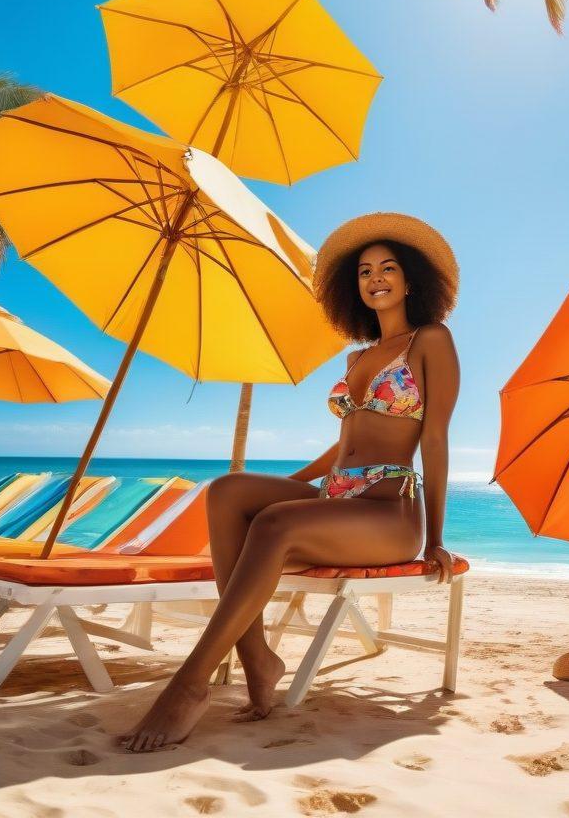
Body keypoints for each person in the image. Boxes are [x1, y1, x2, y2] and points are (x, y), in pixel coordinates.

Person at [120, 212, 461, 752]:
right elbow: (347, 441)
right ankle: (257, 656)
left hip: (388, 511)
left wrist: (436, 539)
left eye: (388, 268)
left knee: (276, 522)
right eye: (364, 271)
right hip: (338, 497)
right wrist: (288, 481)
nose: (375, 278)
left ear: (411, 280)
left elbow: (435, 439)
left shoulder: (431, 340)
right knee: (229, 491)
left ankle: (189, 684)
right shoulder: (357, 357)